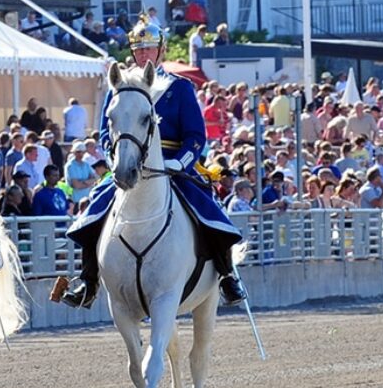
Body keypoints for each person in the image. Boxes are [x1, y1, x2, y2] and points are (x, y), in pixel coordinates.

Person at [60, 17, 248, 309]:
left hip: (171, 166)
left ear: (161, 51)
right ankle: (88, 278)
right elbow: (105, 135)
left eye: (150, 49)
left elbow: (196, 137)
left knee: (207, 208)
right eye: (139, 50)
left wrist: (179, 164)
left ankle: (226, 275)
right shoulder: (118, 87)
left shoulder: (179, 87)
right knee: (94, 209)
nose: (144, 54)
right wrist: (115, 160)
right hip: (128, 165)